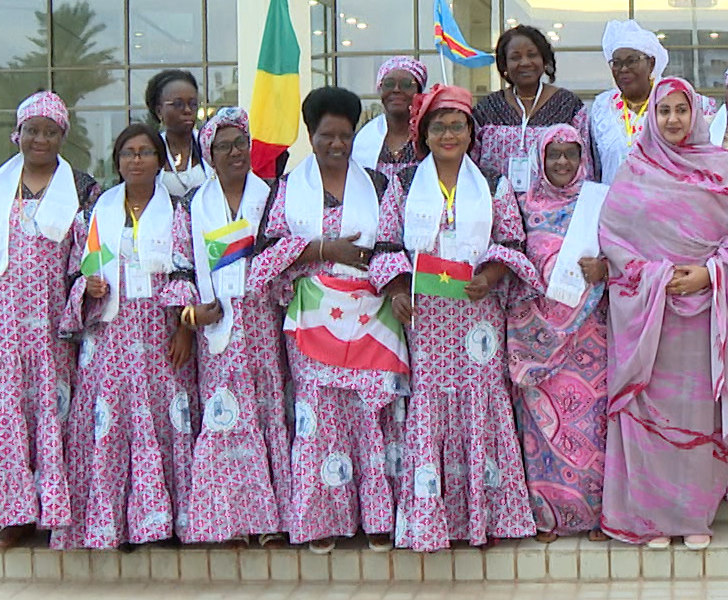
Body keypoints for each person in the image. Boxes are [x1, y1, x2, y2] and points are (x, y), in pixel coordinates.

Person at [598, 77, 728, 548]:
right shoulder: (633, 171)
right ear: (652, 118)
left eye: (682, 110)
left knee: (699, 415)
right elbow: (614, 242)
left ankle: (693, 518)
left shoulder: (724, 170)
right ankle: (651, 520)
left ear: (696, 113)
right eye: (665, 112)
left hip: (708, 318)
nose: (674, 120)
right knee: (649, 418)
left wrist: (709, 274)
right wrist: (656, 276)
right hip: (649, 320)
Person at [378, 84, 539, 551]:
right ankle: (431, 521)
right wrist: (395, 289)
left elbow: (512, 242)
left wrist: (489, 276)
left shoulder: (492, 182)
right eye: (438, 126)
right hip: (426, 315)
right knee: (430, 405)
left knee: (480, 400)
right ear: (423, 134)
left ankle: (487, 518)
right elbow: (387, 245)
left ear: (471, 132)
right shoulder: (404, 183)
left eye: (457, 125)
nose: (448, 134)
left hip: (477, 316)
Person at [0, 91, 101, 550]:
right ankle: (11, 515)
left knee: (60, 417)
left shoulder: (83, 188)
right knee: (7, 419)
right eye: (32, 130)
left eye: (50, 131)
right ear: (18, 132)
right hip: (7, 332)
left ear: (62, 136)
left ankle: (56, 511)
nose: (40, 139)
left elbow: (93, 255)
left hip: (60, 332)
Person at [265, 86, 404, 552]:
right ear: (311, 134)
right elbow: (268, 251)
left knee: (370, 416)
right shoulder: (288, 188)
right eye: (327, 135)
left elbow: (392, 247)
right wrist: (324, 250)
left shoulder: (382, 185)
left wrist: (395, 283)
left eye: (345, 135)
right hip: (313, 317)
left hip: (371, 315)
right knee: (318, 418)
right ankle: (322, 519)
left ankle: (378, 518)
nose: (337, 144)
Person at [55, 125, 199, 550]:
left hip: (159, 337)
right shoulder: (94, 214)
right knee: (109, 426)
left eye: (145, 152)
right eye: (128, 153)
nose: (137, 160)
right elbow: (74, 274)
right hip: (110, 340)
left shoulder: (178, 213)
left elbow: (186, 269)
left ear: (158, 161)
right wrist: (88, 288)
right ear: (117, 163)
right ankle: (110, 523)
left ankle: (163, 523)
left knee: (164, 423)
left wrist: (183, 327)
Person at [183, 107, 294, 546]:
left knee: (268, 411)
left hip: (264, 321)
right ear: (208, 153)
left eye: (240, 143)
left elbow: (286, 250)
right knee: (226, 415)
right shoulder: (195, 205)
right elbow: (186, 266)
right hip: (218, 327)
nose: (234, 152)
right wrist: (194, 309)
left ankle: (273, 518)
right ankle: (231, 517)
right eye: (223, 145)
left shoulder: (271, 196)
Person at [507, 125, 612, 542]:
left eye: (571, 154)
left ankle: (597, 516)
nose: (563, 163)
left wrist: (604, 267)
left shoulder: (599, 203)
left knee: (590, 425)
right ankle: (546, 516)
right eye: (554, 155)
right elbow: (510, 258)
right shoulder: (521, 206)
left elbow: (622, 252)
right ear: (540, 160)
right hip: (536, 338)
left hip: (589, 336)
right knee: (541, 430)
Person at [472, 25, 588, 192]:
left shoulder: (568, 106)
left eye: (532, 55)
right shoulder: (486, 109)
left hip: (555, 212)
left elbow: (585, 167)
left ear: (544, 60)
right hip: (496, 209)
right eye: (515, 57)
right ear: (504, 64)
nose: (525, 62)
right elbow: (471, 164)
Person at [589, 20, 668, 183]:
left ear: (651, 63)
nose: (623, 69)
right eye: (616, 63)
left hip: (662, 205)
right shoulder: (602, 107)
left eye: (632, 60)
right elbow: (594, 166)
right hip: (613, 204)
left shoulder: (669, 102)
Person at [354, 57, 426, 178]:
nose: (396, 90)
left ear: (419, 91)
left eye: (406, 84)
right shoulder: (364, 137)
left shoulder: (428, 135)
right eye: (389, 84)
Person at [145, 69, 208, 201]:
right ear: (159, 111)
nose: (187, 110)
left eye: (193, 104)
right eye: (178, 104)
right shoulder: (150, 151)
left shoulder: (209, 146)